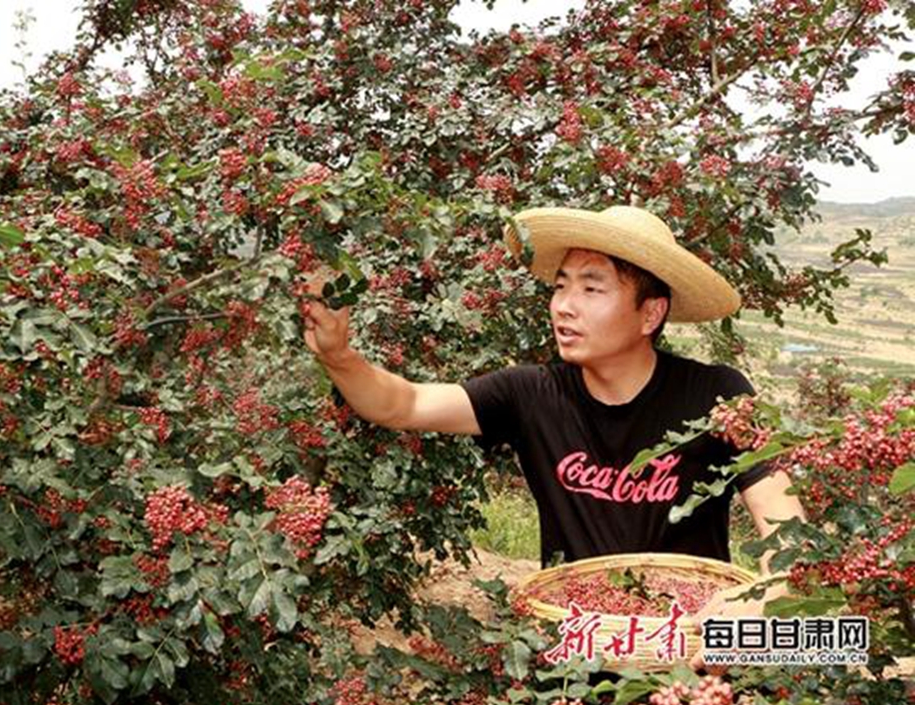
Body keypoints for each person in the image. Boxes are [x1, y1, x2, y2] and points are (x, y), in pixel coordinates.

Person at [301, 205, 806, 670]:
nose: (564, 306)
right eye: (561, 286)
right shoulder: (532, 394)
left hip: (693, 662)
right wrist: (339, 356)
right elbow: (403, 404)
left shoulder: (716, 396)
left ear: (650, 314)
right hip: (576, 667)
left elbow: (789, 531)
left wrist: (761, 599)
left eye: (591, 289)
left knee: (808, 656)